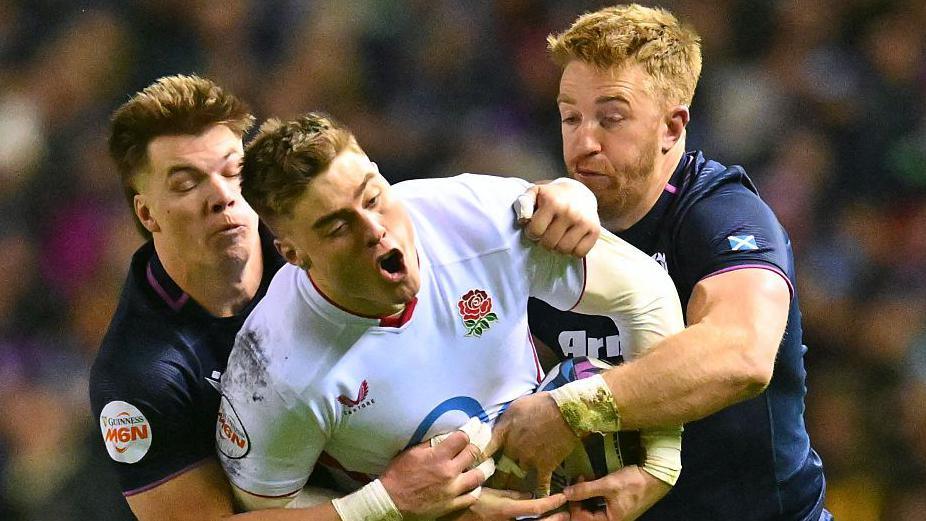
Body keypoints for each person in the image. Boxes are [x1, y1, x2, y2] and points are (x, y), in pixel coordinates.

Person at [88, 75, 601, 521]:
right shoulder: (141, 372)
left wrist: (559, 197)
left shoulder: (317, 233)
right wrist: (389, 504)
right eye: (185, 184)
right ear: (147, 214)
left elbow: (427, 221)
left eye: (232, 171)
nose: (222, 195)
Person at [216, 113, 686, 521]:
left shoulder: (476, 217)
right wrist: (395, 506)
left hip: (554, 482)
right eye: (338, 226)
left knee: (585, 389)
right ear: (293, 253)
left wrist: (658, 465)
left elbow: (645, 295)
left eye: (373, 196)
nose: (375, 230)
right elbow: (265, 510)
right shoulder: (271, 369)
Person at [491, 4, 831, 521]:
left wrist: (572, 411)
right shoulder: (541, 227)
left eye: (612, 117)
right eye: (570, 117)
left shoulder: (722, 214)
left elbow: (742, 355)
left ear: (672, 127)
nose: (584, 142)